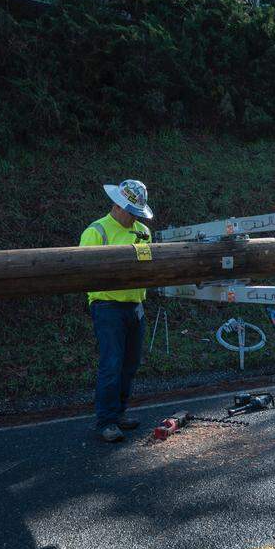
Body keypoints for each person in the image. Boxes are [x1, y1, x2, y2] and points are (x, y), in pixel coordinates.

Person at [79, 179, 154, 442]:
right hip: (107, 306)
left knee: (130, 364)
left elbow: (148, 265)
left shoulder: (143, 230)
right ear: (118, 205)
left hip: (135, 305)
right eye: (131, 212)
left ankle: (119, 413)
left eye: (137, 212)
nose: (134, 217)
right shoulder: (96, 231)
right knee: (111, 364)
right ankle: (106, 421)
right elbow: (83, 272)